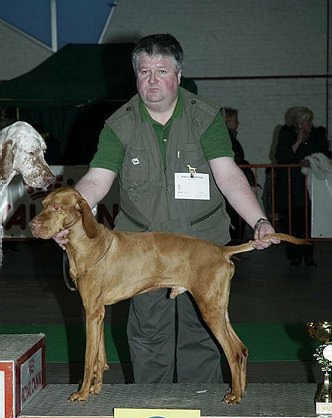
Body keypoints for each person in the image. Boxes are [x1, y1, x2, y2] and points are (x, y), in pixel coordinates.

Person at [55, 33, 278, 384]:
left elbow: (229, 175)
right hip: (142, 246)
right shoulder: (120, 124)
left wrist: (259, 220)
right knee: (148, 335)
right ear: (136, 76)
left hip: (201, 239)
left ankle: (198, 405)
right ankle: (150, 405)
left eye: (161, 71)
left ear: (178, 74)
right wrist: (67, 216)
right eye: (145, 72)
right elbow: (96, 181)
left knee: (202, 331)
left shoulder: (205, 118)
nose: (152, 80)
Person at [275, 106, 330, 266]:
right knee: (292, 222)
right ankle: (294, 256)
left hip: (311, 185)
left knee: (309, 221)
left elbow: (324, 153)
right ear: (298, 123)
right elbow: (282, 156)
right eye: (305, 121)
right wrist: (298, 140)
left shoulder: (318, 134)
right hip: (292, 185)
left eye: (310, 121)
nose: (309, 125)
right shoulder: (287, 134)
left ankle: (309, 255)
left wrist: (311, 161)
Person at [224, 107, 256, 241]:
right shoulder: (228, 138)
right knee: (235, 215)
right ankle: (234, 245)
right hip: (231, 180)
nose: (237, 123)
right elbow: (236, 160)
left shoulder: (230, 137)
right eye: (234, 120)